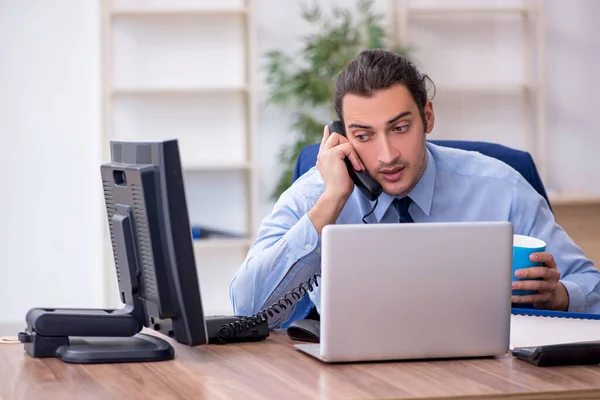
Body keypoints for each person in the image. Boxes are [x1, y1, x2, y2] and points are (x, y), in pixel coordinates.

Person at [229, 49, 600, 329]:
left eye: (400, 128)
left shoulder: (502, 189)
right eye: (364, 135)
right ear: (343, 137)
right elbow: (246, 312)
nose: (387, 155)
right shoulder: (316, 195)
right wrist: (330, 204)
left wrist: (560, 295)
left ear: (428, 117)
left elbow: (592, 287)